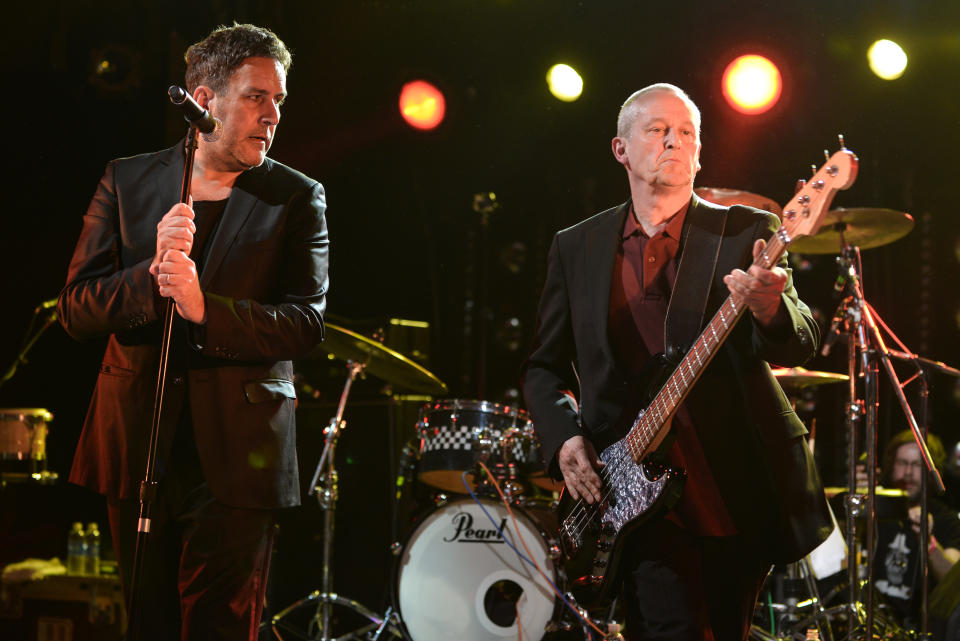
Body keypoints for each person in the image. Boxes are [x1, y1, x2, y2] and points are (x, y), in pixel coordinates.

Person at [522, 83, 832, 640]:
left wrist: (767, 307)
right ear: (621, 149)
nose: (674, 140)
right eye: (657, 129)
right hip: (637, 491)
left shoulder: (743, 232)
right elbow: (544, 367)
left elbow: (801, 337)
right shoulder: (577, 246)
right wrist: (565, 440)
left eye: (687, 131)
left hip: (733, 488)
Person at [57, 24, 328, 641]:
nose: (273, 115)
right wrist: (149, 280)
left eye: (279, 101)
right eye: (257, 97)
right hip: (137, 444)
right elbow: (75, 309)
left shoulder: (294, 197)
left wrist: (207, 308)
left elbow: (307, 324)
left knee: (220, 626)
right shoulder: (128, 182)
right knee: (145, 621)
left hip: (238, 455)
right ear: (205, 101)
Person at [868, 430, 960, 626]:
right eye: (902, 463)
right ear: (891, 466)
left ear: (931, 471)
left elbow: (952, 582)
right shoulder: (875, 512)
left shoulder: (946, 520)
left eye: (917, 464)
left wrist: (929, 543)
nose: (908, 472)